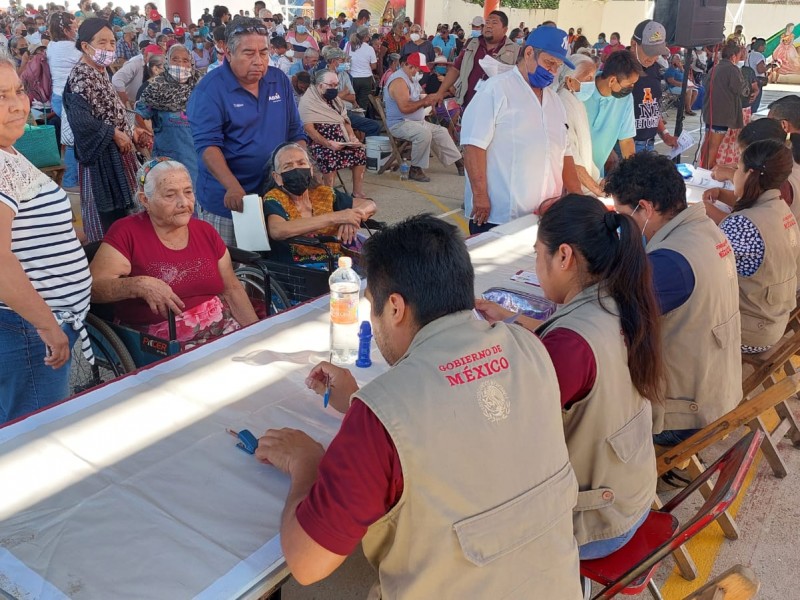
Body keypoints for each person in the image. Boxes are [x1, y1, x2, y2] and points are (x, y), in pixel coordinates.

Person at [256, 214, 583, 597]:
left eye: (372, 308)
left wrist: (306, 462)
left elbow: (307, 563)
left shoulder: (382, 415)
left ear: (394, 307)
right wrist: (362, 403)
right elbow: (466, 417)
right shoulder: (529, 347)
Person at [476, 194, 660, 560]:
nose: (536, 263)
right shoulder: (621, 298)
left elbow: (505, 429)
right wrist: (510, 321)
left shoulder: (572, 346)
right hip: (630, 489)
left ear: (563, 256)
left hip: (597, 520)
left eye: (537, 253)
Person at [604, 152, 741, 460]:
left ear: (646, 209)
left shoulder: (669, 263)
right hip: (718, 385)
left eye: (622, 217)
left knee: (583, 406)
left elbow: (608, 324)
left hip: (683, 414)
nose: (621, 228)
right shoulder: (704, 228)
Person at [0, 57, 92, 424]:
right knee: (37, 437)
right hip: (26, 330)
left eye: (19, 91)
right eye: (0, 96)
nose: (18, 104)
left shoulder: (9, 151)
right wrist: (46, 326)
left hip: (27, 326)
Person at [90, 159, 258, 349]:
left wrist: (257, 334)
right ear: (145, 200)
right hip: (164, 344)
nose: (184, 203)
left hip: (222, 329)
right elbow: (92, 289)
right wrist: (137, 285)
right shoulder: (126, 232)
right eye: (170, 195)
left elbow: (232, 289)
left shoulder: (205, 231)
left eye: (188, 192)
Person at [187, 17, 306, 246]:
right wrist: (231, 185)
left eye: (263, 52)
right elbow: (207, 146)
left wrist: (301, 168)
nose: (258, 61)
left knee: (267, 271)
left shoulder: (278, 80)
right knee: (230, 269)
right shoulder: (209, 90)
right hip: (229, 200)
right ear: (228, 54)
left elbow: (295, 131)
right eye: (248, 53)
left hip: (276, 195)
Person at [462, 27, 581, 234]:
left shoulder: (555, 101)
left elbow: (565, 153)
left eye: (558, 66)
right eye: (549, 63)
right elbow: (473, 146)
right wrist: (480, 196)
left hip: (545, 219)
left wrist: (579, 200)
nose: (553, 71)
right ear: (528, 53)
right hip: (498, 217)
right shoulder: (496, 90)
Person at [704, 140, 799, 353]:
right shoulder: (781, 208)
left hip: (749, 330)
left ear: (750, 174)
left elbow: (706, 268)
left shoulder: (743, 224)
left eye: (738, 169)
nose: (734, 174)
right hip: (774, 318)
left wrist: (700, 214)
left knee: (677, 315)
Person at [64, 18, 146, 243]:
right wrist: (114, 133)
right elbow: (80, 121)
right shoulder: (81, 75)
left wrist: (131, 131)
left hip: (116, 157)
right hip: (101, 163)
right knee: (109, 222)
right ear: (85, 46)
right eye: (102, 43)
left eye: (112, 43)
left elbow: (114, 111)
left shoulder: (100, 72)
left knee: (123, 218)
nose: (109, 48)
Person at [261, 143, 375, 264]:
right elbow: (277, 230)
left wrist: (353, 216)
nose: (296, 169)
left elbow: (370, 205)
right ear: (277, 177)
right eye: (287, 166)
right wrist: (337, 217)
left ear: (310, 170)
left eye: (301, 163)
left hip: (336, 262)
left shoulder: (323, 193)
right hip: (300, 270)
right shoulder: (274, 198)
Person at [384, 52, 464, 183]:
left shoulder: (412, 79)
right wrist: (424, 101)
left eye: (419, 69)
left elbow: (421, 96)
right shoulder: (399, 81)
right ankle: (415, 169)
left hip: (414, 121)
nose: (418, 72)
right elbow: (404, 108)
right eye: (416, 68)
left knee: (441, 132)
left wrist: (429, 99)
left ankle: (458, 161)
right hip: (400, 123)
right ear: (406, 65)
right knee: (423, 134)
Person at [136, 44, 199, 190]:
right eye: (175, 59)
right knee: (168, 193)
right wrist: (146, 134)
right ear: (167, 61)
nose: (181, 64)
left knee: (192, 196)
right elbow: (139, 115)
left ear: (191, 64)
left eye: (185, 61)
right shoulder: (155, 87)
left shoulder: (199, 87)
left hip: (195, 156)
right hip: (166, 155)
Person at [299, 70, 368, 197]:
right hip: (319, 143)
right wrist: (328, 144)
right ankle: (328, 195)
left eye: (336, 85)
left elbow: (345, 121)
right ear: (320, 85)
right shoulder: (308, 101)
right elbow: (309, 129)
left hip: (342, 140)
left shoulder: (334, 100)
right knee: (330, 156)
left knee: (359, 151)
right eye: (331, 85)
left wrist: (352, 137)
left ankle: (357, 192)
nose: (334, 88)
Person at [435, 10, 519, 110]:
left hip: (496, 108)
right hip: (468, 104)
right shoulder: (472, 44)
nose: (489, 26)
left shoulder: (515, 51)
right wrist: (440, 93)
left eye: (494, 23)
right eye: (487, 22)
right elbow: (456, 69)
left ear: (505, 29)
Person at [583, 50, 642, 176]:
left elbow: (626, 140)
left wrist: (632, 175)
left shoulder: (625, 99)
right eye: (629, 84)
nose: (631, 88)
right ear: (612, 81)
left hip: (596, 175)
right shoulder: (582, 90)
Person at [556, 54, 603, 196]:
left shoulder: (577, 101)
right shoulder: (562, 104)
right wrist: (596, 189)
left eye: (593, 77)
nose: (592, 82)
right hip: (573, 189)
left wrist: (597, 181)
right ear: (570, 81)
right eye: (587, 78)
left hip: (585, 186)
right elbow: (572, 157)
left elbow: (584, 151)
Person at [630, 19, 679, 154]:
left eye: (657, 52)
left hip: (649, 144)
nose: (654, 57)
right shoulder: (622, 69)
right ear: (633, 44)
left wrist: (665, 134)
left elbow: (653, 107)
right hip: (627, 145)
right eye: (649, 51)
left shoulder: (655, 69)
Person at [701, 42, 751, 169]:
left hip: (710, 111)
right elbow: (741, 90)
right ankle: (705, 170)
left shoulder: (714, 68)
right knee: (713, 146)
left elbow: (705, 85)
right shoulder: (732, 69)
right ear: (734, 56)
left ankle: (703, 167)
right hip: (722, 114)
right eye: (740, 55)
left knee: (707, 143)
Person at [325, 47, 382, 138]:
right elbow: (328, 99)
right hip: (337, 112)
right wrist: (344, 93)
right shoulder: (323, 75)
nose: (344, 63)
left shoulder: (344, 74)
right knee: (374, 126)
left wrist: (339, 95)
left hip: (349, 110)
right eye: (342, 60)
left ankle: (363, 148)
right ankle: (365, 150)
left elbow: (352, 97)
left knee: (371, 125)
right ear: (332, 61)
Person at [345, 26, 376, 112]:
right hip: (366, 79)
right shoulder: (370, 49)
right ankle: (362, 121)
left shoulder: (348, 45)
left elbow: (344, 58)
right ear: (366, 37)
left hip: (352, 78)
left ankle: (353, 122)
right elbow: (374, 66)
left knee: (351, 102)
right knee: (363, 104)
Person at [747, 38, 767, 113]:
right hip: (757, 80)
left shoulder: (749, 54)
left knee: (749, 100)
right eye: (764, 46)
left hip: (748, 79)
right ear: (760, 46)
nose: (765, 48)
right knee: (755, 101)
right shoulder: (759, 56)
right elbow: (760, 70)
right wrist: (769, 66)